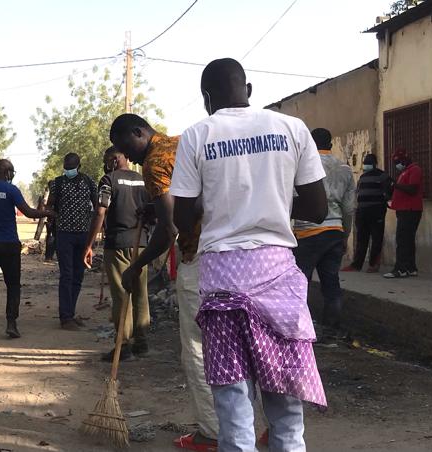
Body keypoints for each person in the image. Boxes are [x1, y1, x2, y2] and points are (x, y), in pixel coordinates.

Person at [169, 58, 328, 451]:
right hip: (278, 277)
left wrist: (220, 206)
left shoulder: (197, 135)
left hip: (223, 279)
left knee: (233, 406)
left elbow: (183, 216)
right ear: (249, 90)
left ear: (207, 98)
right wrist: (270, 205)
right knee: (287, 410)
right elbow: (318, 208)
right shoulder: (291, 128)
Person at [109, 112, 219, 449]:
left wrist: (136, 266)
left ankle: (212, 433)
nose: (127, 153)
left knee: (198, 349)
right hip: (228, 251)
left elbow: (170, 230)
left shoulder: (155, 162)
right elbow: (190, 202)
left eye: (125, 144)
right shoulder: (184, 143)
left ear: (139, 132)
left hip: (197, 256)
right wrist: (156, 210)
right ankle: (250, 425)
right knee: (234, 346)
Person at [0, 159, 52, 338]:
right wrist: (48, 213)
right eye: (12, 172)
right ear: (7, 172)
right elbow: (29, 213)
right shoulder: (11, 190)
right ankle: (11, 324)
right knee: (13, 285)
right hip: (9, 244)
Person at [82, 147, 150, 361]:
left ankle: (123, 345)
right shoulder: (142, 180)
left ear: (114, 159)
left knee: (122, 294)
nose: (104, 163)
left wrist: (89, 245)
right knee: (140, 291)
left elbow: (101, 211)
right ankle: (142, 342)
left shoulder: (108, 180)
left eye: (105, 159)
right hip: (141, 244)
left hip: (118, 243)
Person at [292, 128, 356, 334]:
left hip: (308, 232)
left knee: (301, 283)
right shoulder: (344, 170)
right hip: (335, 230)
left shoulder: (302, 165)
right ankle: (333, 328)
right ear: (330, 144)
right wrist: (345, 235)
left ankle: (301, 329)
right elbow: (348, 208)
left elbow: (292, 200)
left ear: (310, 142)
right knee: (331, 281)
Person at [47, 153, 97, 330]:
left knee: (78, 276)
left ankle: (71, 312)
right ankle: (65, 317)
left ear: (79, 166)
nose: (68, 170)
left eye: (71, 167)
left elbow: (98, 206)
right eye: (66, 168)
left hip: (84, 235)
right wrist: (54, 216)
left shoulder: (89, 182)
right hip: (64, 235)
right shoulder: (57, 183)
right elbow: (49, 206)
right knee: (66, 275)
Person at [342, 153, 392, 273]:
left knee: (376, 238)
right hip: (362, 211)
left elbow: (389, 191)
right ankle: (357, 265)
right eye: (365, 162)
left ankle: (373, 264)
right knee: (361, 238)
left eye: (368, 162)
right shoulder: (362, 177)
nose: (366, 164)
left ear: (375, 164)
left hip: (376, 211)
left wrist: (383, 200)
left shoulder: (383, 176)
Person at [383, 149, 424, 279]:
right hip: (403, 209)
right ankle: (410, 267)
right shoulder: (405, 172)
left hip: (410, 210)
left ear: (405, 159)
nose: (397, 165)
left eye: (398, 162)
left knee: (402, 239)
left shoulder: (414, 170)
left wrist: (395, 185)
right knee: (408, 240)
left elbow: (412, 189)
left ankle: (400, 269)